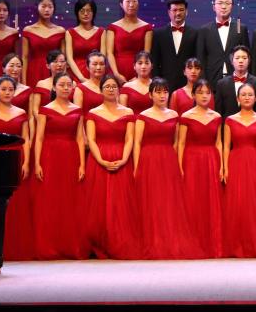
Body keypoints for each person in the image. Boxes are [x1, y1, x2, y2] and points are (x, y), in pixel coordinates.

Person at [134, 77, 194, 259]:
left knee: (168, 201)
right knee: (151, 200)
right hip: (148, 160)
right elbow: (137, 143)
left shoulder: (174, 115)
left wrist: (175, 162)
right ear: (150, 95)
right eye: (158, 92)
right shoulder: (143, 116)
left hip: (168, 159)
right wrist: (136, 166)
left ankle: (168, 240)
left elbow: (176, 142)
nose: (162, 95)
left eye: (165, 92)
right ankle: (152, 240)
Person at [83, 73, 139, 259]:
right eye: (107, 86)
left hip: (122, 158)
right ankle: (98, 243)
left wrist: (123, 159)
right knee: (98, 203)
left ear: (118, 90)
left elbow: (130, 138)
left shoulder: (128, 112)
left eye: (114, 86)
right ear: (101, 90)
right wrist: (101, 160)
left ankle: (119, 242)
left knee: (120, 204)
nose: (110, 89)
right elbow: (91, 139)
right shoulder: (93, 113)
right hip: (98, 160)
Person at [33, 73, 87, 260]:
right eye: (62, 85)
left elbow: (80, 138)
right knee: (50, 200)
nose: (65, 88)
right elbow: (39, 138)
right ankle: (49, 245)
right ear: (54, 87)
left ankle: (69, 245)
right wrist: (37, 162)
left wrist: (82, 164)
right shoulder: (45, 110)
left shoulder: (77, 110)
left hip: (71, 156)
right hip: (50, 156)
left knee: (70, 200)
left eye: (68, 85)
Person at [0, 75, 34, 261]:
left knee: (18, 205)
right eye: (3, 89)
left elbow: (26, 139)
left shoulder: (21, 113)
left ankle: (17, 246)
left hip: (16, 159)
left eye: (11, 89)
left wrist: (26, 162)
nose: (7, 93)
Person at [222, 83, 256, 258]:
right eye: (243, 94)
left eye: (250, 94)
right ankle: (236, 244)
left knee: (254, 202)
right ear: (237, 98)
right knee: (237, 202)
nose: (247, 97)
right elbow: (226, 146)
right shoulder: (229, 120)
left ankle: (254, 243)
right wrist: (225, 167)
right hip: (236, 162)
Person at [177, 79, 224, 258]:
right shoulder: (186, 116)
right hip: (192, 160)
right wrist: (179, 166)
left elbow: (218, 143)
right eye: (200, 92)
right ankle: (192, 241)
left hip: (211, 160)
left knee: (210, 201)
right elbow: (181, 143)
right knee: (193, 199)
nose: (204, 96)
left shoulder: (217, 116)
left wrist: (222, 165)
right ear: (193, 95)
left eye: (207, 93)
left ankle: (211, 243)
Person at [196, 0, 250, 87]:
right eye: (220, 3)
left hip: (236, 79)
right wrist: (203, 82)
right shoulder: (204, 29)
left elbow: (246, 55)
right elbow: (201, 58)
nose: (224, 7)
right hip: (211, 80)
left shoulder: (240, 27)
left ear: (232, 6)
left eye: (227, 3)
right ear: (214, 7)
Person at [150, 0, 198, 91]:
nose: (178, 13)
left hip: (188, 86)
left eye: (181, 10)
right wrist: (157, 83)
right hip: (164, 86)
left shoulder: (195, 33)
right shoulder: (158, 34)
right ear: (169, 12)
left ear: (186, 11)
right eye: (174, 10)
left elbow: (197, 59)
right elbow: (154, 60)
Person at [106, 0, 154, 82]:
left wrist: (138, 76)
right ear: (121, 4)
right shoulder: (112, 27)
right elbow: (109, 53)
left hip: (139, 71)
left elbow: (146, 53)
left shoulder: (147, 27)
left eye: (134, 1)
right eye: (128, 1)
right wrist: (116, 74)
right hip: (116, 71)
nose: (131, 5)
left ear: (138, 3)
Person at [21, 0, 65, 86]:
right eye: (43, 6)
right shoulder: (28, 30)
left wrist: (63, 77)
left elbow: (63, 58)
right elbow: (24, 57)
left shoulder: (60, 30)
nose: (47, 10)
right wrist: (23, 81)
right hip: (34, 70)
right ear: (37, 7)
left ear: (54, 9)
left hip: (54, 70)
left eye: (50, 7)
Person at [215, 45, 256, 117]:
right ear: (232, 61)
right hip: (228, 123)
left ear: (249, 61)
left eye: (244, 58)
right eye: (237, 58)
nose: (241, 61)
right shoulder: (221, 84)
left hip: (252, 123)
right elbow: (219, 111)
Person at [65, 0, 104, 82]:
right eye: (82, 11)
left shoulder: (101, 32)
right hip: (75, 74)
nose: (86, 14)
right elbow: (69, 59)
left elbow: (102, 57)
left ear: (93, 13)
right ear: (77, 13)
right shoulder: (70, 32)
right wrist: (81, 78)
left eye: (89, 11)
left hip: (96, 72)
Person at [0, 54, 32, 123]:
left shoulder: (28, 91)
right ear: (3, 69)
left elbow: (30, 117)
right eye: (11, 66)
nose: (15, 69)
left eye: (18, 66)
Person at [31, 49, 68, 132]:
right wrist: (43, 123)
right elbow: (35, 109)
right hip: (44, 126)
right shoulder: (41, 84)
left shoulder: (72, 84)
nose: (59, 64)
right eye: (55, 62)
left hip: (66, 125)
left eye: (62, 61)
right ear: (48, 66)